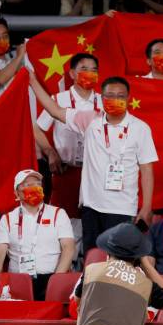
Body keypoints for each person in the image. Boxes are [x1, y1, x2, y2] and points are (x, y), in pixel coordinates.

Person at [29, 73, 158, 255]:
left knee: (118, 259)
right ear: (101, 98)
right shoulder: (90, 120)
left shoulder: (140, 128)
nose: (115, 100)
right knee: (92, 258)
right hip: (92, 206)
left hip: (123, 207)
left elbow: (147, 170)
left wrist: (146, 208)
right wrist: (33, 81)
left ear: (128, 98)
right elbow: (55, 110)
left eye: (120, 96)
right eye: (109, 96)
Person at [73, 223, 163, 325]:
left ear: (108, 251)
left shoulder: (91, 271)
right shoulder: (145, 285)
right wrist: (146, 265)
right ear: (137, 258)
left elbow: (78, 301)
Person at [35, 53, 103, 220]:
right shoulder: (58, 99)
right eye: (84, 69)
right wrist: (50, 151)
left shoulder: (104, 102)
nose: (90, 73)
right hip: (66, 172)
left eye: (94, 70)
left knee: (92, 222)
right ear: (72, 74)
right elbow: (36, 128)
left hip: (96, 173)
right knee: (63, 222)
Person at [0, 169, 76, 300]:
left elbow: (69, 248)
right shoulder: (8, 219)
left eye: (37, 184)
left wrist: (56, 281)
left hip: (51, 277)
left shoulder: (58, 214)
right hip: (18, 280)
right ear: (16, 192)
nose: (33, 188)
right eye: (27, 185)